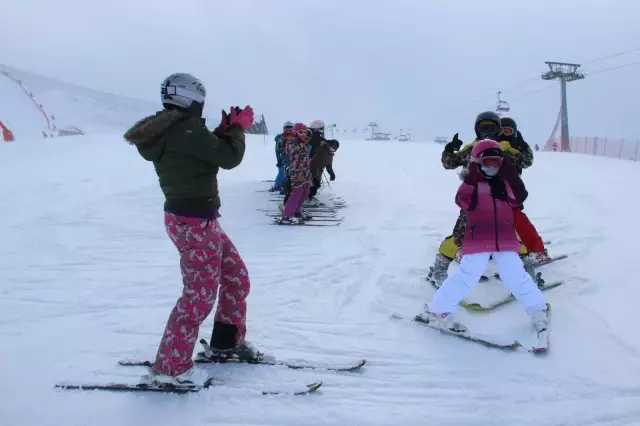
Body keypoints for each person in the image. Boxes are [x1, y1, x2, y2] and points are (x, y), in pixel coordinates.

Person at [123, 73, 260, 387]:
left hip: (196, 220)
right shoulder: (185, 129)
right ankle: (170, 368)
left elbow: (201, 149)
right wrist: (237, 130)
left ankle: (226, 345)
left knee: (236, 277)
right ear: (191, 100)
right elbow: (229, 157)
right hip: (194, 222)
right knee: (199, 296)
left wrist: (223, 131)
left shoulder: (174, 129)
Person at [419, 140, 548, 334]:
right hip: (478, 240)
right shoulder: (472, 185)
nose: (493, 167)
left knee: (517, 277)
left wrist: (511, 177)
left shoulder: (504, 184)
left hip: (505, 241)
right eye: (488, 162)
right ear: (477, 162)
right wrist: (472, 179)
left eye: (497, 162)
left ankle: (538, 310)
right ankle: (439, 312)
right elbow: (461, 200)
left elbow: (520, 197)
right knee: (465, 277)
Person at [498, 117, 549, 263]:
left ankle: (536, 250)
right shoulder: (491, 142)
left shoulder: (518, 144)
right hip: (487, 185)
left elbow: (527, 161)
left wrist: (509, 150)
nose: (504, 134)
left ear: (513, 132)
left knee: (515, 216)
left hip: (510, 186)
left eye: (508, 131)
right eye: (501, 130)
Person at [279, 122, 313, 224]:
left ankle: (297, 212)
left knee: (305, 191)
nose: (304, 134)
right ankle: (288, 215)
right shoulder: (292, 143)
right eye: (301, 132)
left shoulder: (301, 142)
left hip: (305, 172)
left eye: (305, 132)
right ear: (295, 132)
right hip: (297, 173)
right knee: (296, 193)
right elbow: (291, 151)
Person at [271, 121, 293, 192]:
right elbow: (277, 150)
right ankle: (278, 186)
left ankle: (287, 186)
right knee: (282, 173)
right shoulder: (281, 138)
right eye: (287, 129)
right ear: (284, 129)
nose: (289, 130)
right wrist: (279, 160)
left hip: (292, 160)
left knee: (289, 173)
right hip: (283, 159)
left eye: (290, 129)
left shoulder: (294, 138)